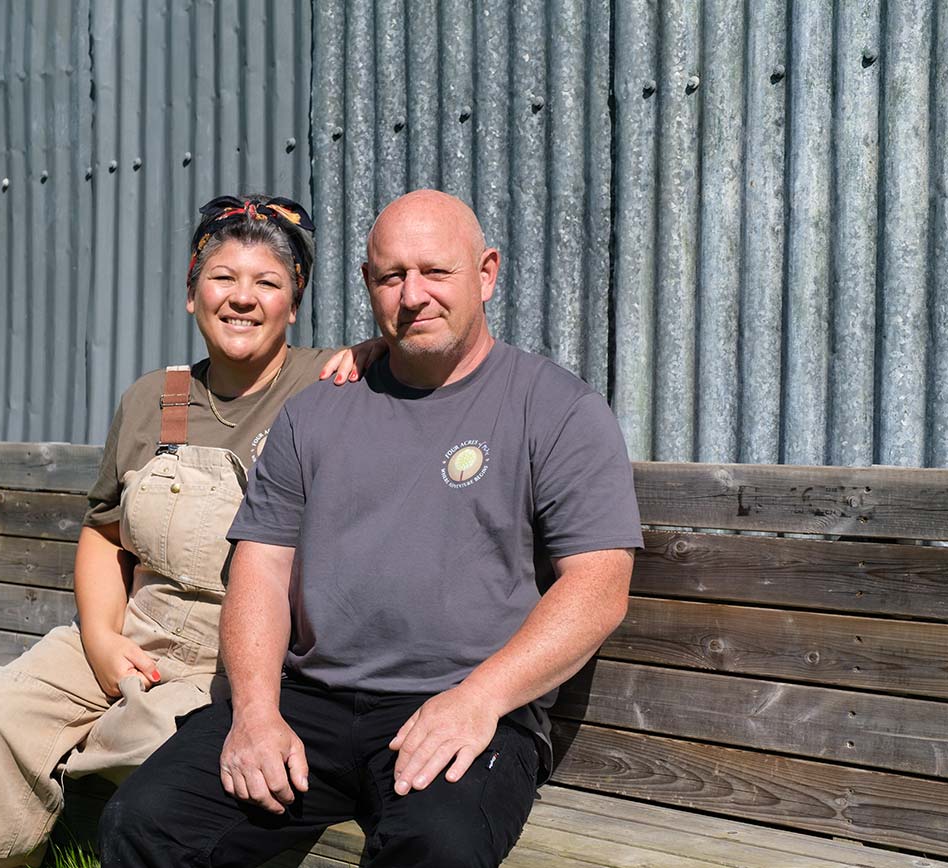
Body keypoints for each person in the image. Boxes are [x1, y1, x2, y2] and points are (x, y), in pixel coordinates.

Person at [97, 189, 644, 868]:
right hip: (309, 701)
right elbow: (260, 568)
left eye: (435, 272)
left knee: (433, 851)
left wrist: (479, 700)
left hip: (465, 705)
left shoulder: (558, 409)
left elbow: (597, 586)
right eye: (392, 276)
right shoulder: (317, 413)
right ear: (368, 284)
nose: (413, 295)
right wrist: (255, 713)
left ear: (486, 273)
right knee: (146, 821)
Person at [0, 194, 381, 868]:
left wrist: (376, 351)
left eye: (268, 283)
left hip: (241, 662)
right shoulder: (158, 398)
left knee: (161, 747)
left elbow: (427, 353)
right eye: (223, 278)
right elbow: (106, 533)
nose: (243, 299)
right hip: (137, 634)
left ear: (295, 301)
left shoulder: (328, 385)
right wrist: (102, 640)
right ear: (191, 295)